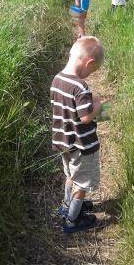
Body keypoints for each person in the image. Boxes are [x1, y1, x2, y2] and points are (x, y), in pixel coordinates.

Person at [50, 36, 104, 233]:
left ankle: (67, 206)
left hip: (64, 140)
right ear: (88, 62)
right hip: (81, 144)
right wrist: (97, 106)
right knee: (81, 183)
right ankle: (72, 221)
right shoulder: (80, 86)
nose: (89, 75)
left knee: (70, 175)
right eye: (92, 71)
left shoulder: (57, 79)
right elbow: (85, 117)